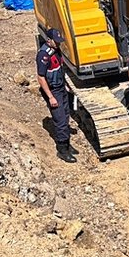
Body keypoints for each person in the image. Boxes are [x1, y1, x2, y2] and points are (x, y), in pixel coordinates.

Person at [36, 28, 76, 163]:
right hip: (53, 91)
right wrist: (50, 97)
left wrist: (64, 84)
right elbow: (41, 78)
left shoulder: (56, 51)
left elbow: (59, 69)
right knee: (60, 121)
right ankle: (62, 150)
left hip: (60, 87)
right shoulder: (43, 55)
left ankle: (68, 145)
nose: (59, 44)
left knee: (66, 115)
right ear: (49, 40)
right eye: (56, 41)